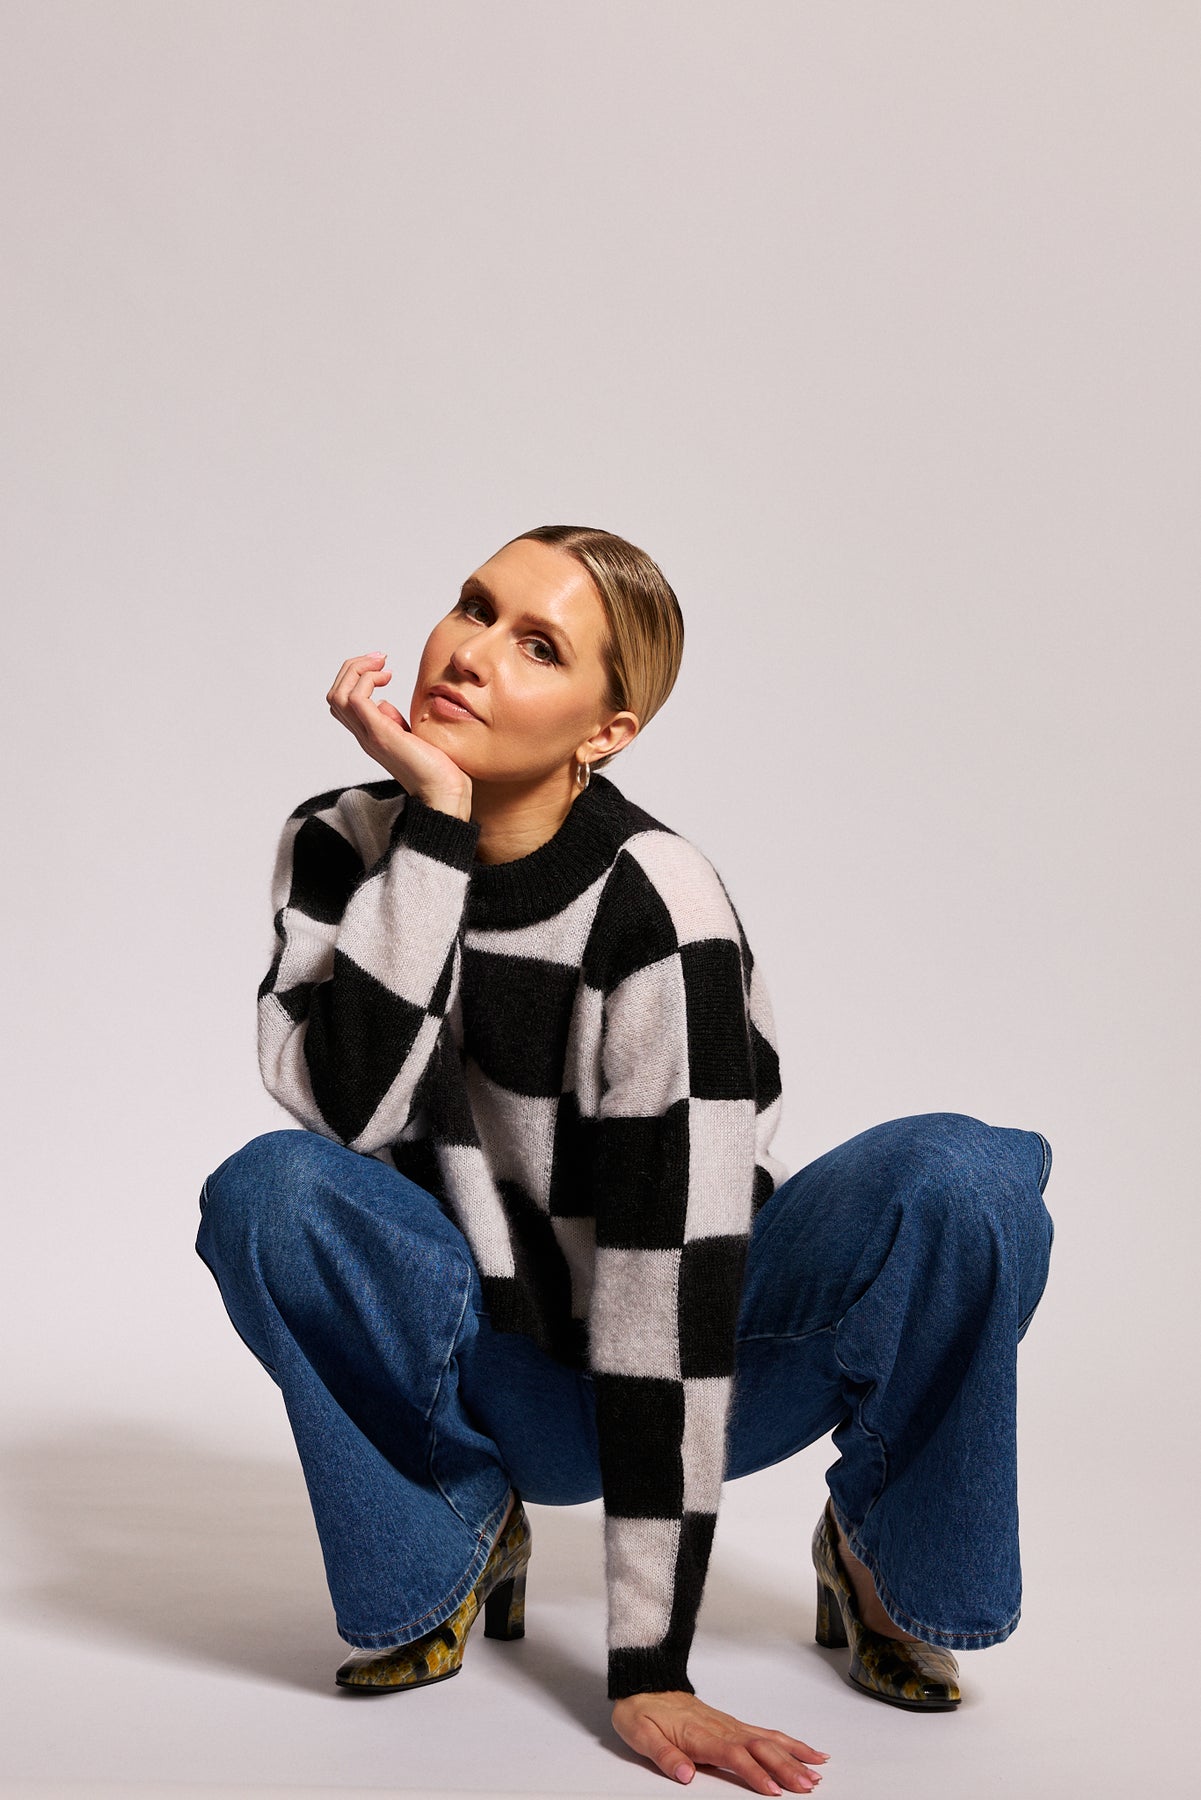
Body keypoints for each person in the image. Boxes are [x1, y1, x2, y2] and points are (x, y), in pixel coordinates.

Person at [196, 525, 1055, 1797]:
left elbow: (671, 1275)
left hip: (706, 1362)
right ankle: (454, 1533)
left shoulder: (658, 905)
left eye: (538, 647)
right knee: (269, 1194)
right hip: (487, 1367)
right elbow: (352, 1112)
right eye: (473, 607)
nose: (471, 654)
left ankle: (882, 1559)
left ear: (607, 731)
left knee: (966, 1183)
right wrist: (433, 829)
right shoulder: (345, 839)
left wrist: (649, 1665)